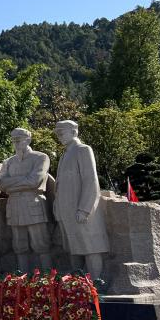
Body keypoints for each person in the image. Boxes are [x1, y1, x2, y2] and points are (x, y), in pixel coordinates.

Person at [54, 119, 110, 279]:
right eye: (57, 133)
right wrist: (57, 209)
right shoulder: (65, 155)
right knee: (74, 248)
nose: (59, 136)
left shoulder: (83, 150)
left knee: (90, 247)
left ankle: (95, 284)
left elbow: (91, 180)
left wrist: (84, 209)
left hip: (81, 210)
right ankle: (77, 284)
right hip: (67, 212)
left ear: (74, 131)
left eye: (61, 132)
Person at [0, 128, 54, 272]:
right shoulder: (8, 162)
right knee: (19, 245)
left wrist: (12, 184)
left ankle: (48, 278)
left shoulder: (41, 157)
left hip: (33, 202)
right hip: (14, 204)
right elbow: (1, 184)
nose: (15, 142)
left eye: (19, 139)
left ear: (28, 140)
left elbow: (34, 181)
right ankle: (22, 279)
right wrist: (23, 180)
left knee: (41, 244)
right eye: (13, 140)